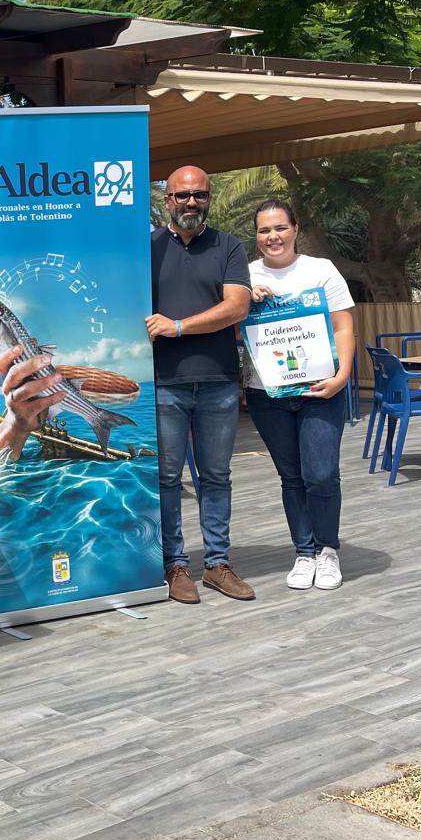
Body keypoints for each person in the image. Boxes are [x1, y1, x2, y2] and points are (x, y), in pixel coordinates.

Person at [147, 166, 254, 605]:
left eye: (200, 196)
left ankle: (217, 564)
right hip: (163, 383)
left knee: (216, 476)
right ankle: (175, 564)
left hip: (219, 382)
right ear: (167, 200)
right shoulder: (146, 248)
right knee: (167, 479)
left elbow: (236, 307)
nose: (191, 203)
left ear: (208, 199)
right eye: (182, 196)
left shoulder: (229, 246)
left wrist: (177, 326)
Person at [246, 199, 355, 591]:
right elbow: (232, 329)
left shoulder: (320, 270)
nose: (272, 237)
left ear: (295, 228)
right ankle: (304, 552)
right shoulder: (244, 276)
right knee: (291, 477)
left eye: (279, 228)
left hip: (322, 389)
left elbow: (343, 327)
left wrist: (342, 376)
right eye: (264, 230)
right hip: (266, 394)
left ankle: (328, 550)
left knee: (321, 474)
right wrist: (246, 299)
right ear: (255, 236)